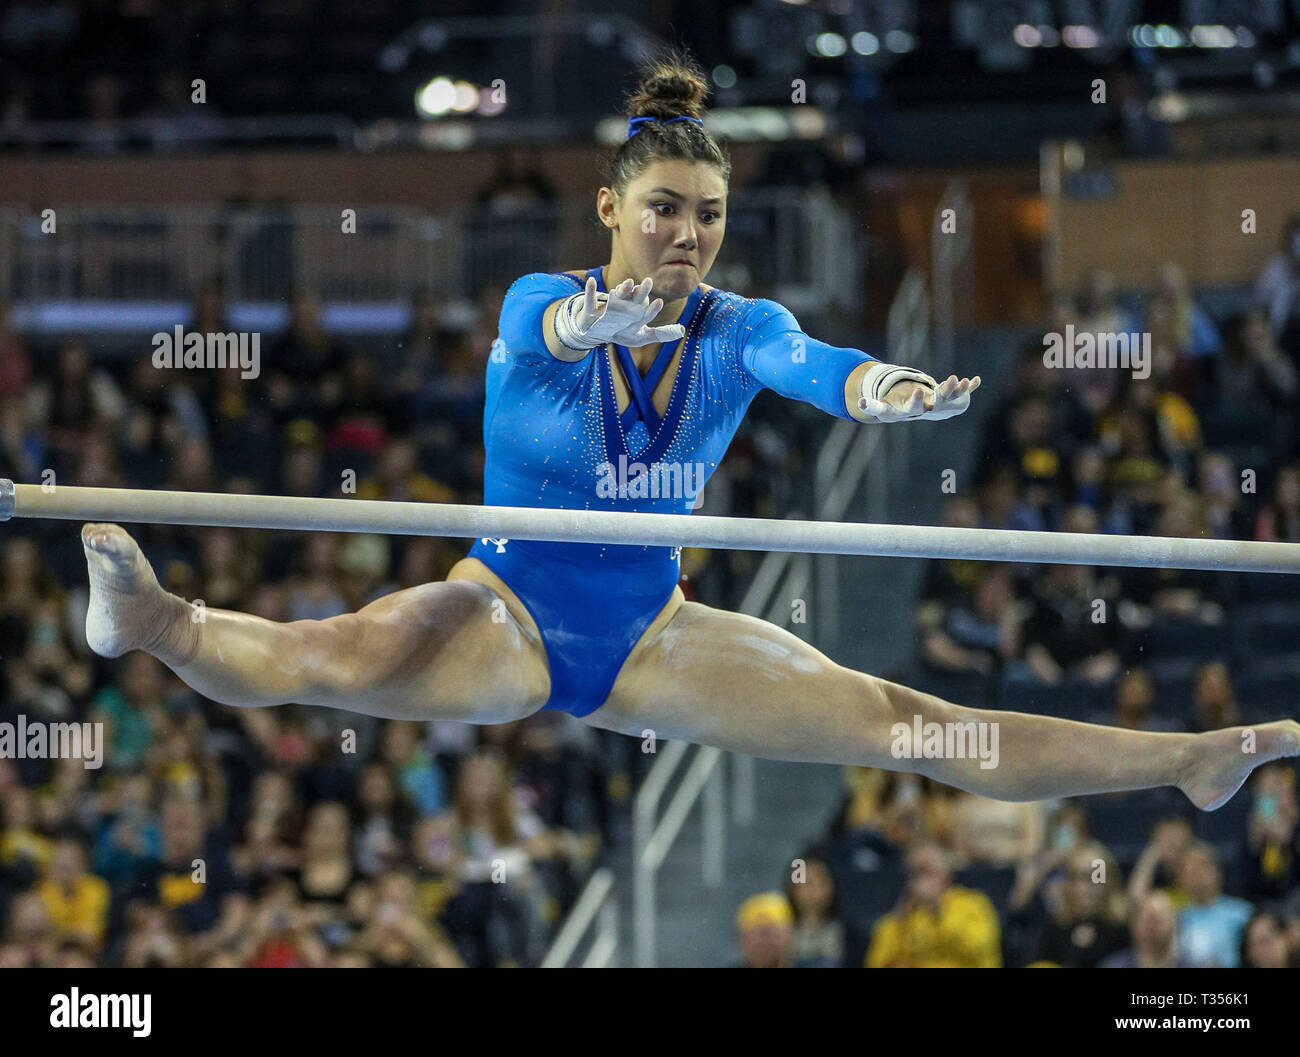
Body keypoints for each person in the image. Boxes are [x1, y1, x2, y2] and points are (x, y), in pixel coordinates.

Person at [78, 50, 1297, 815]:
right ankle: (159, 622)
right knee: (326, 655)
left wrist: (876, 389)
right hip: (507, 609)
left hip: (654, 634)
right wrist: (588, 327)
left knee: (910, 724)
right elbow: (554, 334)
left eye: (708, 215)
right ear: (611, 205)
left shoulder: (733, 323)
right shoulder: (530, 304)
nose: (687, 234)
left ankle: (1184, 760)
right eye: (664, 209)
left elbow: (803, 361)